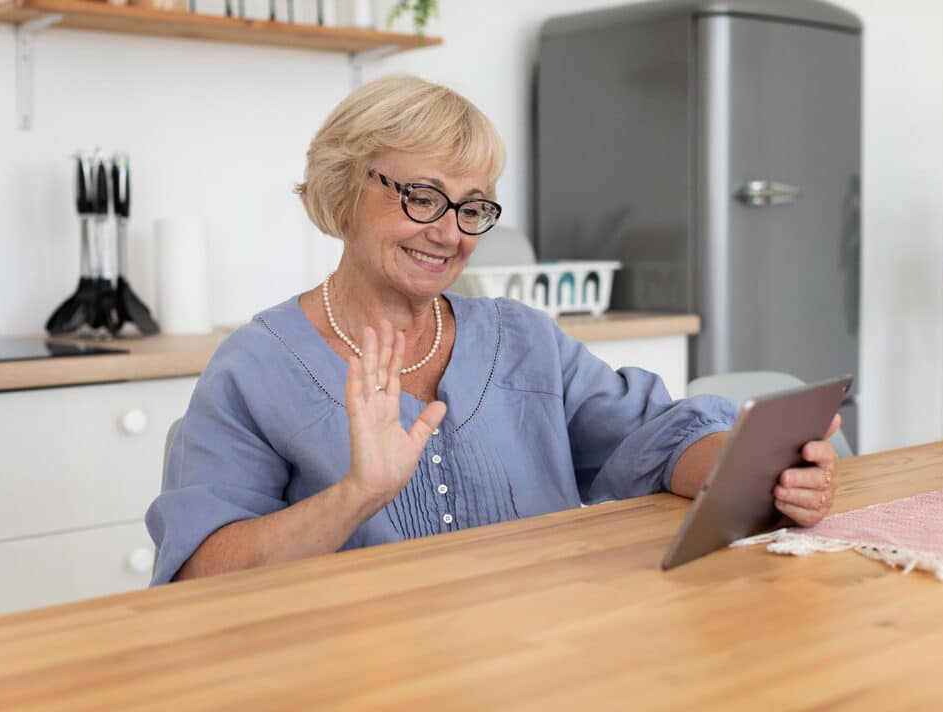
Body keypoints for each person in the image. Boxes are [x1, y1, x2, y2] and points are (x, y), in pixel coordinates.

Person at [146, 75, 841, 585]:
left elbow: (658, 437)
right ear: (344, 188)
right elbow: (200, 574)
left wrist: (761, 470)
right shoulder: (254, 367)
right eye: (423, 197)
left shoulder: (522, 338)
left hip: (537, 658)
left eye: (473, 208)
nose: (450, 233)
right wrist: (355, 496)